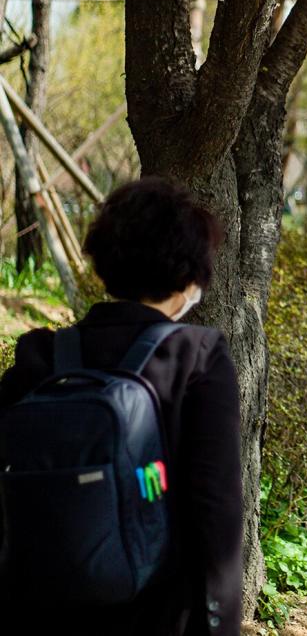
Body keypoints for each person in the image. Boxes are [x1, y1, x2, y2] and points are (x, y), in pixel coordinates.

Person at [0, 177, 243, 636]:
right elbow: (217, 507)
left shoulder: (42, 354)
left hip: (37, 607)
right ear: (191, 273)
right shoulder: (197, 357)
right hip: (156, 613)